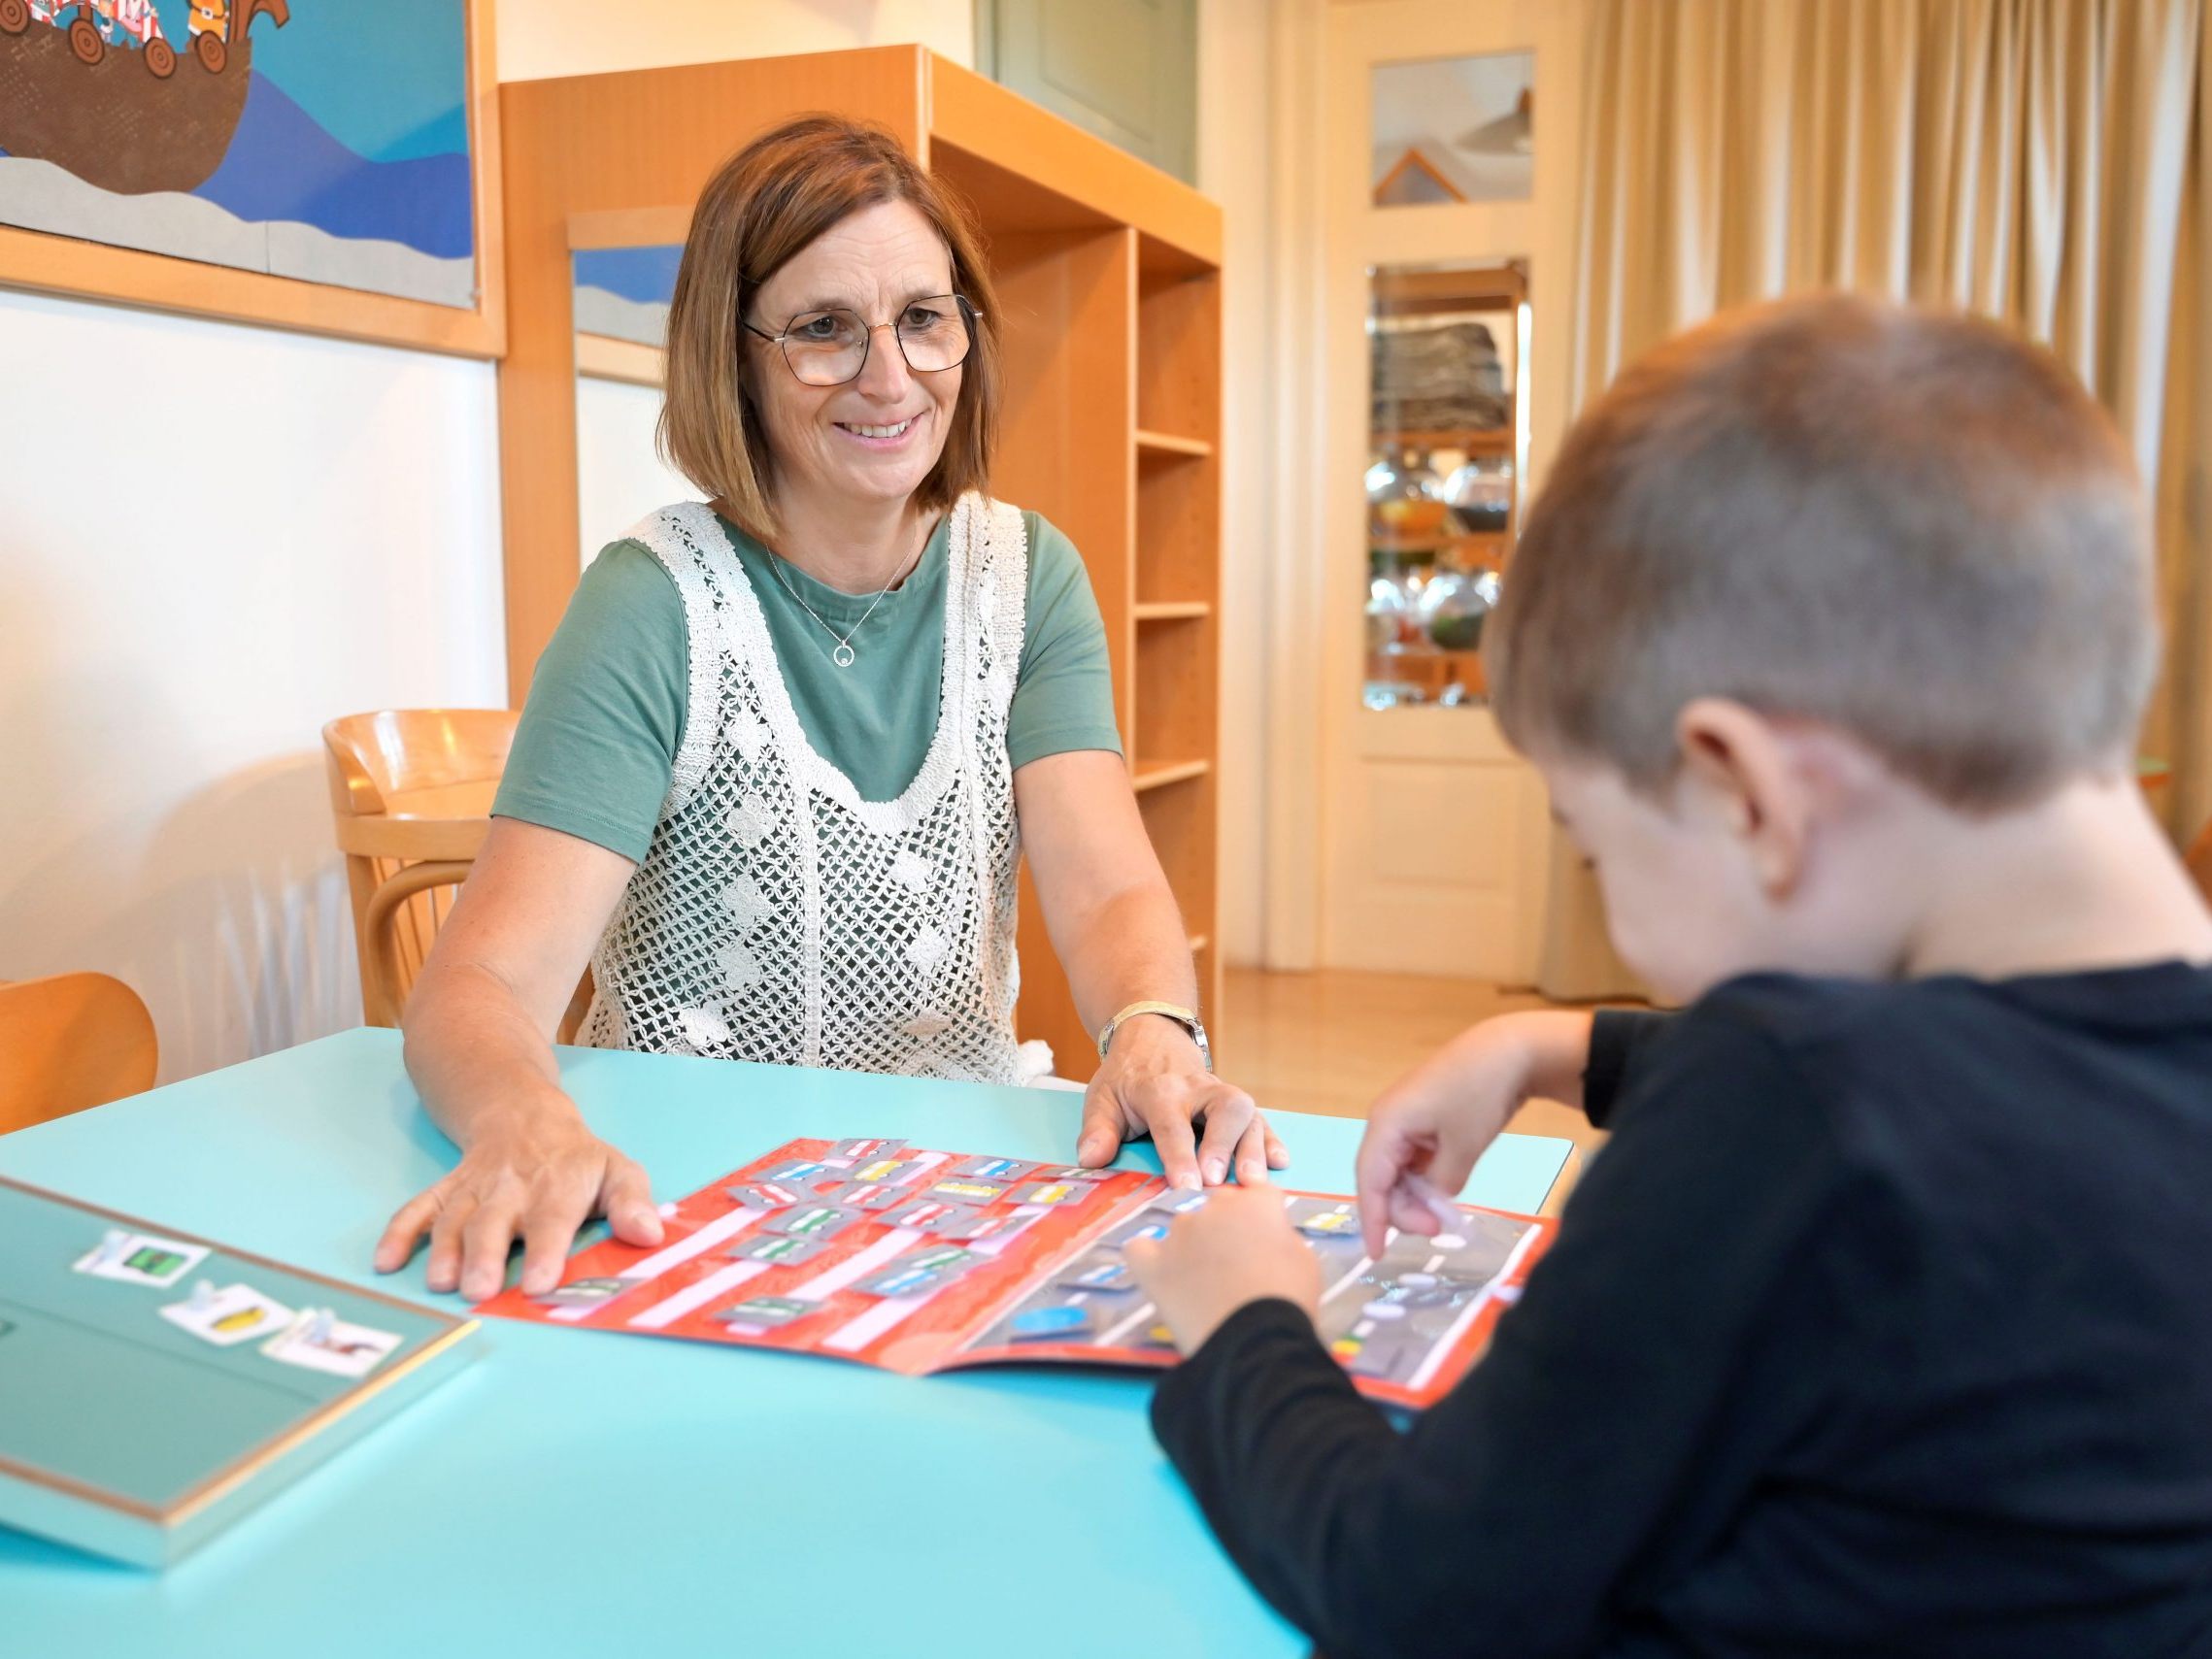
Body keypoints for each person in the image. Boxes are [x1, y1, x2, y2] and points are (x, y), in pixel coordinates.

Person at [1126, 294, 2212, 1657]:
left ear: (1741, 789)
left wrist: (1246, 1325)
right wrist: (1556, 1049)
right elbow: (2004, 1101)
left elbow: (1416, 1590)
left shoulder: (1787, 1105)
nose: (1617, 916)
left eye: (1593, 851)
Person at [376, 116, 1280, 1307]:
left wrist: (1153, 1025)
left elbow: (1107, 882)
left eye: (922, 318)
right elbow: (477, 986)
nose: (889, 376)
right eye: (821, 330)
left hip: (953, 1188)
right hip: (695, 1197)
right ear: (733, 355)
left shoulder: (1028, 573)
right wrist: (527, 1117)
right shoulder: (651, 603)